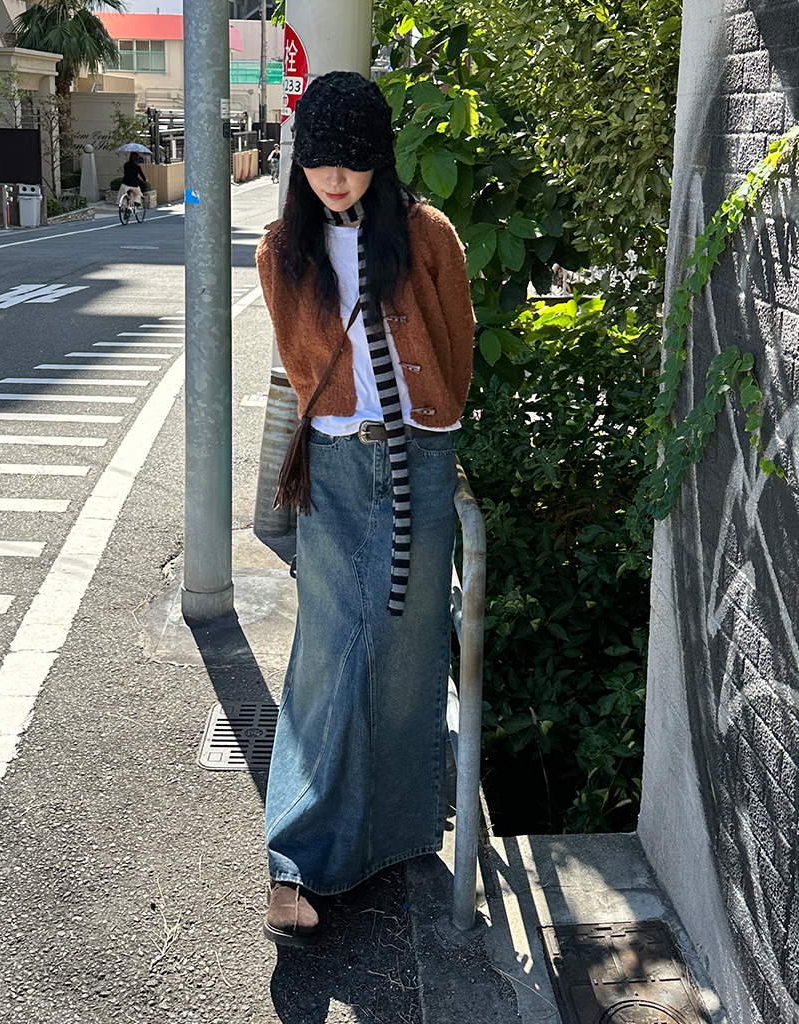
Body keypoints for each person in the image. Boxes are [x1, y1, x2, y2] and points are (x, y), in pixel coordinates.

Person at [255, 71, 475, 947]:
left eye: (351, 160)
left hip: (420, 457)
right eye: (320, 161)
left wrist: (428, 427)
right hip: (339, 467)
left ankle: (395, 836)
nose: (335, 177)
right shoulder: (283, 249)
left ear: (379, 158)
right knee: (331, 649)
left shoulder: (426, 235)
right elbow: (300, 364)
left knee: (409, 648)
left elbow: (455, 349)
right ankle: (297, 857)